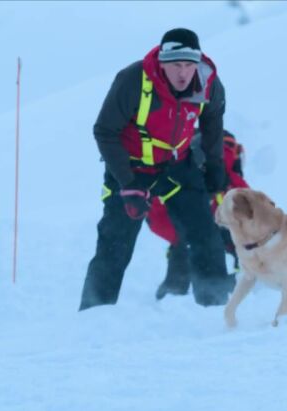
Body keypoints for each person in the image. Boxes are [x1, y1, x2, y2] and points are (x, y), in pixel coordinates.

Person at [80, 28, 231, 311]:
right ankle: (94, 314)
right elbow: (104, 131)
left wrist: (215, 169)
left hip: (177, 165)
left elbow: (212, 127)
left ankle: (215, 307)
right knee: (115, 243)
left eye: (189, 65)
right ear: (162, 63)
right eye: (176, 65)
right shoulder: (134, 80)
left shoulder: (208, 83)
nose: (183, 73)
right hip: (131, 167)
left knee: (206, 234)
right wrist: (128, 183)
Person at [148, 130, 249, 300]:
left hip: (157, 213)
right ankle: (230, 284)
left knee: (184, 242)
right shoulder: (226, 170)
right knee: (227, 239)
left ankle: (174, 287)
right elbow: (251, 210)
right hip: (206, 223)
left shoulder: (184, 158)